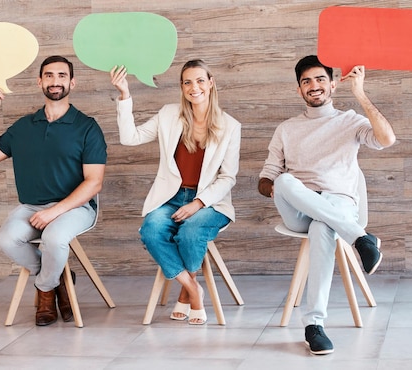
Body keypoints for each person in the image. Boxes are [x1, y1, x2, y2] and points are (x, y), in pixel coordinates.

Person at [258, 55, 396, 354]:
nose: (314, 85)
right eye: (306, 81)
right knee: (284, 181)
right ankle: (360, 238)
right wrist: (274, 190)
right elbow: (266, 178)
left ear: (333, 84)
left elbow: (386, 139)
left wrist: (360, 93)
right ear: (299, 90)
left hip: (338, 204)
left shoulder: (350, 121)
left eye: (320, 79)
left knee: (323, 226)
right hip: (298, 209)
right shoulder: (286, 128)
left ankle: (314, 325)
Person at [110, 59, 241, 325]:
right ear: (182, 87)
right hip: (171, 199)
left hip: (210, 204)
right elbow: (129, 138)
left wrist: (199, 203)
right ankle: (193, 289)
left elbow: (228, 178)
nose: (195, 87)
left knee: (190, 232)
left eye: (200, 80)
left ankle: (185, 292)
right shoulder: (169, 115)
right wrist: (125, 95)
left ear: (211, 82)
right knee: (150, 231)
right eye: (188, 82)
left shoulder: (230, 126)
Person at [0, 55, 107, 326]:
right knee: (7, 239)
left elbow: (94, 182)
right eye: (49, 75)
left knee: (55, 238)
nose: (55, 81)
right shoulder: (25, 126)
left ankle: (45, 292)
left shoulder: (87, 127)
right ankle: (57, 277)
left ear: (72, 82)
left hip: (75, 207)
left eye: (62, 75)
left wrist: (53, 213)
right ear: (40, 81)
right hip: (31, 206)